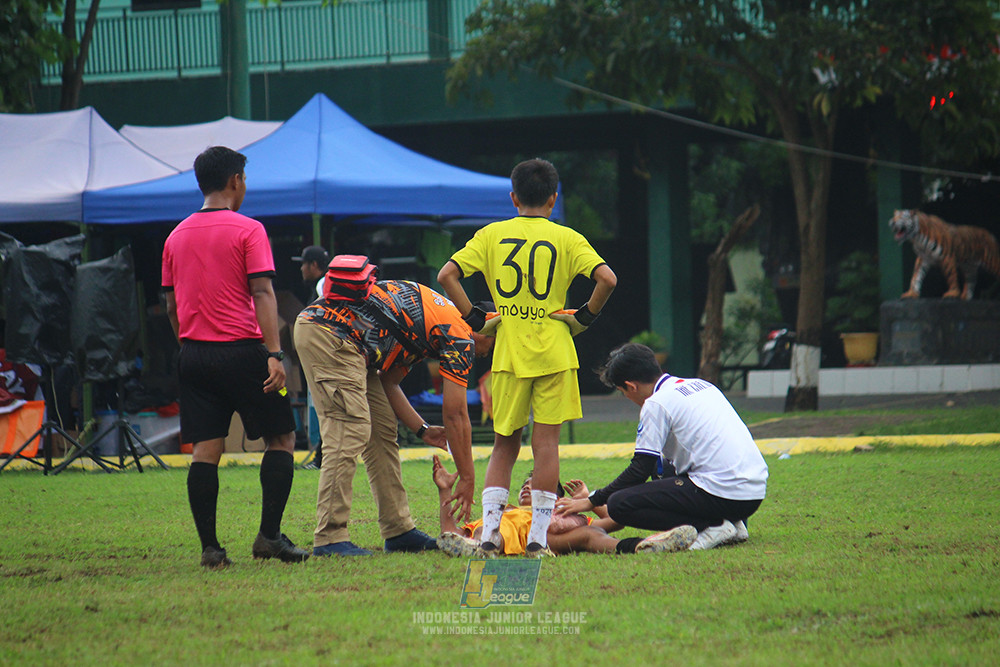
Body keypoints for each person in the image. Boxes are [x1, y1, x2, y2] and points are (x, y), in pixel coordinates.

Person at [437, 157, 617, 557]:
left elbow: (447, 275)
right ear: (553, 199)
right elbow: (608, 279)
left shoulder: (491, 235)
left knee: (505, 445)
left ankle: (488, 537)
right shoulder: (568, 237)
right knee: (546, 446)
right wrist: (584, 317)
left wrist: (475, 318)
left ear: (514, 197)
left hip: (509, 351)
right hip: (555, 349)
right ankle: (538, 538)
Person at [162, 146, 310, 569]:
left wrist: (187, 346)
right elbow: (262, 292)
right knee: (282, 439)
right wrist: (274, 353)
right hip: (244, 352)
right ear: (235, 181)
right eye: (244, 179)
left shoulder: (175, 236)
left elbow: (172, 306)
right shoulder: (249, 229)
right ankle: (268, 537)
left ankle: (210, 548)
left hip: (193, 354)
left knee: (205, 450)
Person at [294, 276, 494, 556]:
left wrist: (423, 429)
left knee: (382, 431)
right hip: (331, 333)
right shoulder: (460, 334)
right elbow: (456, 415)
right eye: (496, 343)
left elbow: (388, 381)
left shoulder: (436, 323)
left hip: (345, 339)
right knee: (350, 429)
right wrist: (468, 479)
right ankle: (329, 537)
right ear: (488, 329)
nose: (490, 353)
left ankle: (398, 530)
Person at [556, 343, 768, 550]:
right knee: (662, 468)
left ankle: (712, 527)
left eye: (623, 392)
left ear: (631, 386)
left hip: (724, 494)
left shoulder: (656, 403)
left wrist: (592, 500)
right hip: (752, 493)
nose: (627, 398)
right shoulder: (701, 385)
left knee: (619, 504)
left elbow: (639, 469)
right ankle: (735, 524)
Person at [432, 456, 695, 556]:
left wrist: (589, 502)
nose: (526, 487)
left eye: (534, 484)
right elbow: (449, 533)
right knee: (489, 531)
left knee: (590, 534)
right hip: (502, 535)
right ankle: (479, 549)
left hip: (546, 538)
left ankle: (642, 546)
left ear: (553, 498)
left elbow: (616, 521)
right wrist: (445, 489)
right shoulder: (505, 510)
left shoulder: (562, 513)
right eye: (524, 484)